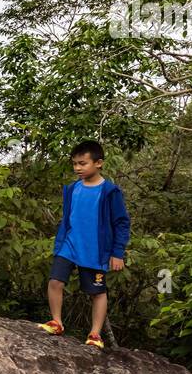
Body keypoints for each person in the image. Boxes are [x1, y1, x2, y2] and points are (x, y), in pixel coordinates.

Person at [37, 140, 131, 349]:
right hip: (69, 245)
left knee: (97, 292)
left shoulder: (109, 191)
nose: (77, 168)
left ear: (98, 163)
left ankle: (95, 334)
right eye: (75, 164)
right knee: (55, 281)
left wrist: (117, 253)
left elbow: (122, 223)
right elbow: (68, 216)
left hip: (95, 251)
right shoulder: (72, 189)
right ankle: (57, 322)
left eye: (82, 163)